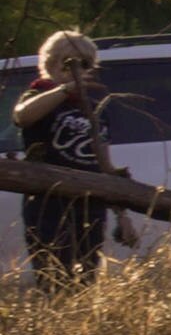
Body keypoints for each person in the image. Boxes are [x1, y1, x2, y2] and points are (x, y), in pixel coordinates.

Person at [16, 30, 123, 283]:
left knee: (86, 279)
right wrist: (65, 89)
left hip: (89, 204)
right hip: (48, 203)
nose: (77, 69)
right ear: (51, 64)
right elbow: (22, 116)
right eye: (69, 63)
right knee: (55, 278)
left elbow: (105, 165)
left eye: (84, 64)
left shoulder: (93, 108)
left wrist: (122, 216)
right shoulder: (38, 95)